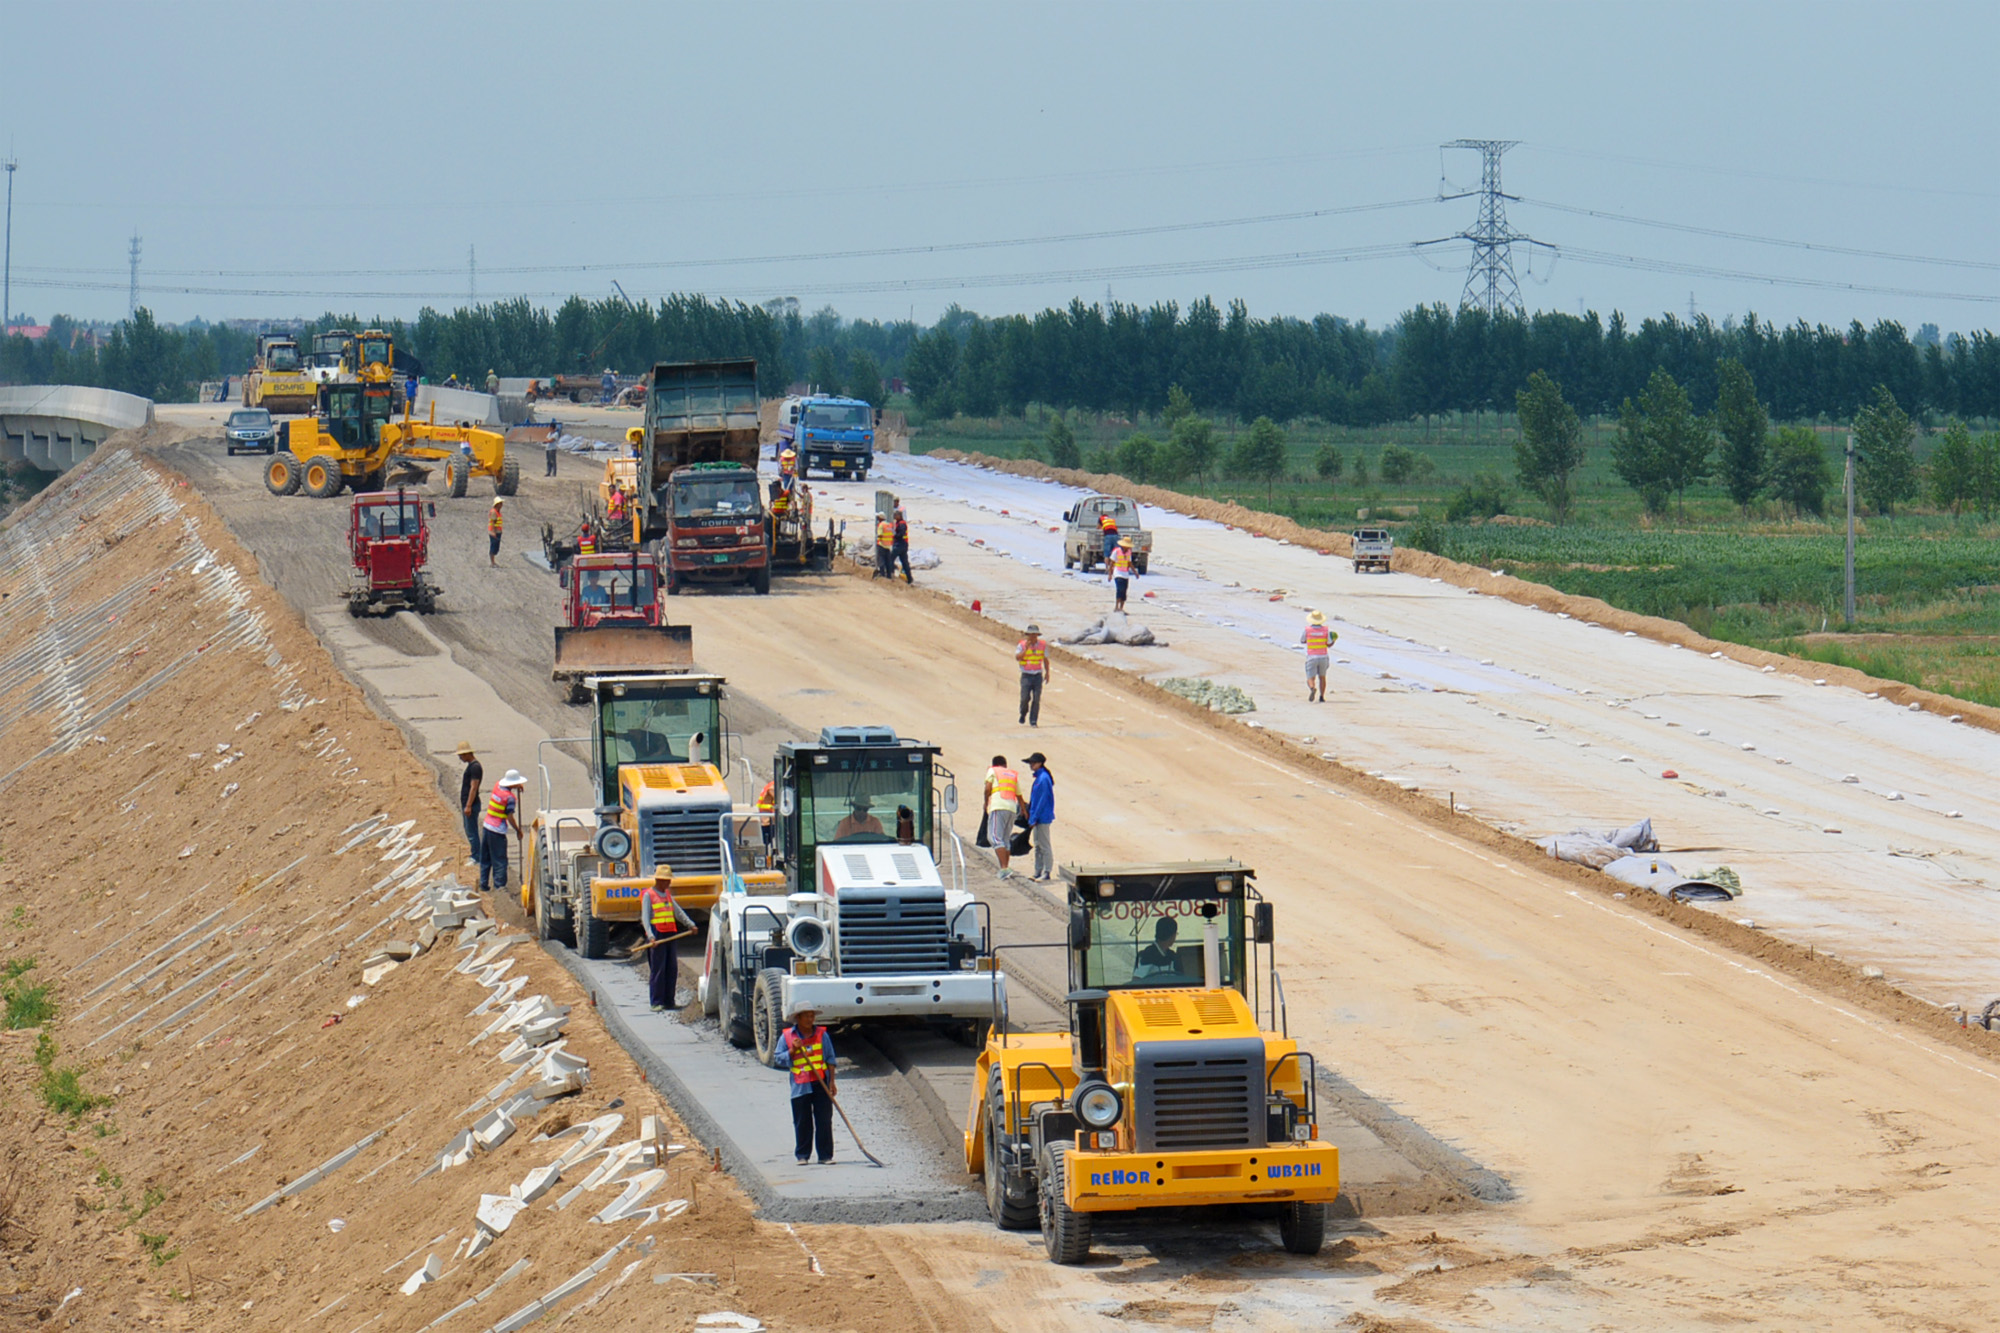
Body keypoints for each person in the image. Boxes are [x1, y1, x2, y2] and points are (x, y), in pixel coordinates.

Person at [779, 1002, 836, 1165]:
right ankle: (802, 1155)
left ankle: (825, 1156)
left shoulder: (822, 1035)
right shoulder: (788, 1036)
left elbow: (830, 1059)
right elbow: (778, 1058)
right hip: (800, 1086)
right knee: (802, 1122)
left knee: (824, 1120)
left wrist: (832, 1082)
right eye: (806, 1016)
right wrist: (793, 1050)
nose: (810, 1019)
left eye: (812, 1016)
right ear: (798, 1018)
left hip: (821, 1083)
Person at [638, 867, 696, 1013]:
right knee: (658, 969)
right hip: (657, 935)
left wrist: (690, 924)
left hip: (670, 934)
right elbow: (645, 918)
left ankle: (669, 1001)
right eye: (667, 881)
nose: (669, 883)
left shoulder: (667, 895)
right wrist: (651, 936)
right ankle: (656, 1002)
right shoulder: (649, 895)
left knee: (671, 969)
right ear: (659, 880)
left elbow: (678, 912)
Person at [478, 769, 526, 893]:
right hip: (497, 831)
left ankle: (483, 884)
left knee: (486, 858)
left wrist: (516, 786)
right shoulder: (510, 798)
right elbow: (510, 817)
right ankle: (499, 889)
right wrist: (518, 830)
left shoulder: (497, 786)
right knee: (500, 860)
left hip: (487, 826)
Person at [983, 756, 1021, 878]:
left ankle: (1004, 868)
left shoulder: (992, 770)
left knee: (994, 837)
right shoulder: (1012, 774)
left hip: (998, 806)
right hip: (1012, 808)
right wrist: (1024, 810)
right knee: (1005, 839)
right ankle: (1005, 868)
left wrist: (986, 802)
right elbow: (1019, 794)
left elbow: (988, 788)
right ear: (1005, 764)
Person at [1025, 753, 1055, 882]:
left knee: (1044, 845)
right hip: (1037, 817)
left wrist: (1035, 817)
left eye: (1033, 763)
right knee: (1037, 845)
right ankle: (1038, 871)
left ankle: (1047, 871)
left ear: (1040, 763)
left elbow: (1042, 800)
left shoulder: (1043, 779)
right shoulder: (1039, 778)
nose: (1031, 765)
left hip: (1042, 817)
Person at [1015, 622, 1051, 727]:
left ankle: (1033, 720)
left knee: (1036, 698)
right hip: (1026, 675)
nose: (1033, 637)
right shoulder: (1022, 645)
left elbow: (1046, 660)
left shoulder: (1043, 645)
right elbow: (1018, 658)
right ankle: (1023, 713)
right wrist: (1026, 649)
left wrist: (1047, 673)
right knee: (1025, 698)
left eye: (1035, 634)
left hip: (1037, 675)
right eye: (1031, 634)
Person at [1300, 609, 1337, 703]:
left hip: (1312, 656)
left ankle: (1312, 688)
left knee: (1310, 677)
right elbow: (1329, 644)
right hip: (1323, 656)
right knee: (1322, 677)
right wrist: (1334, 640)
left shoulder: (1307, 630)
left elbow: (1302, 640)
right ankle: (1322, 696)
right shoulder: (1326, 630)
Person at [455, 742, 483, 865]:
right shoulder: (472, 766)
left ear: (467, 754)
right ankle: (476, 854)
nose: (460, 758)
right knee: (469, 830)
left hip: (471, 804)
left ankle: (476, 856)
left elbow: (473, 787)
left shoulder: (475, 767)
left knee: (472, 831)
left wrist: (468, 805)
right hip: (468, 804)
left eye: (461, 755)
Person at [1108, 536, 1135, 612]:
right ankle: (1116, 607)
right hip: (1118, 573)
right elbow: (1112, 563)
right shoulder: (1116, 551)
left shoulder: (1129, 552)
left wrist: (1135, 572)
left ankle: (1121, 608)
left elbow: (1129, 563)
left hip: (1125, 574)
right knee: (1119, 589)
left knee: (1124, 591)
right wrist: (1110, 575)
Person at [890, 507, 912, 584]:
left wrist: (895, 536)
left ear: (899, 516)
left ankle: (891, 574)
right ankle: (909, 578)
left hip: (900, 544)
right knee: (904, 562)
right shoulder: (899, 523)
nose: (894, 517)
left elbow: (901, 534)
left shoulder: (901, 524)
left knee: (890, 559)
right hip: (903, 544)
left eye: (895, 515)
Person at [757, 779, 776, 852]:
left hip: (767, 818)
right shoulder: (772, 787)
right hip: (768, 819)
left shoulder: (770, 785)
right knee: (768, 841)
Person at [874, 513, 894, 579]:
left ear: (880, 518)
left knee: (881, 560)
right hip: (888, 546)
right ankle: (889, 575)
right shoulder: (889, 525)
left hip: (881, 545)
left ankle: (882, 575)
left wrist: (878, 542)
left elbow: (880, 535)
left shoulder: (881, 525)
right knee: (888, 561)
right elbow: (892, 535)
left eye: (878, 517)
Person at [488, 498, 505, 567]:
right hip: (494, 532)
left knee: (496, 548)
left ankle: (493, 562)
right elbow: (493, 522)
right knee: (493, 547)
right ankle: (492, 563)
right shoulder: (494, 512)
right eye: (500, 503)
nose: (502, 505)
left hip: (498, 532)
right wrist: (493, 532)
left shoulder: (498, 512)